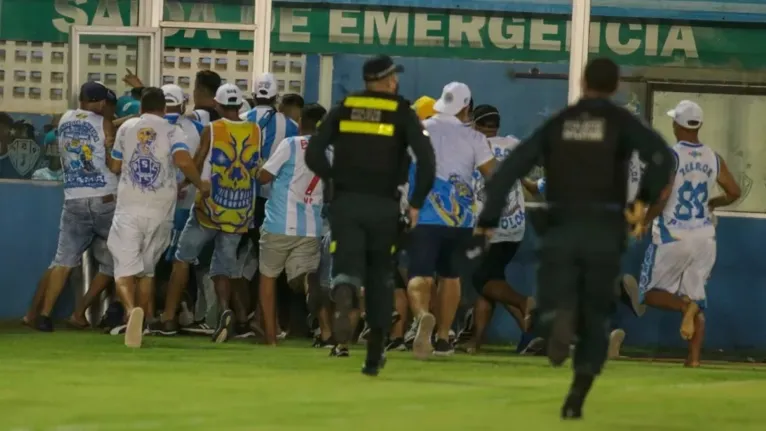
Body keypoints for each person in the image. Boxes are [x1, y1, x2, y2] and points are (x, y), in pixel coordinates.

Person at [476, 57, 674, 419]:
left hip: (562, 225)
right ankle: (576, 398)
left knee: (554, 292)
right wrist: (641, 201)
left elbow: (513, 168)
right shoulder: (620, 122)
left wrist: (488, 217)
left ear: (582, 82)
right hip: (605, 227)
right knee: (597, 312)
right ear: (614, 86)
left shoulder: (559, 124)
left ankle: (555, 319)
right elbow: (662, 159)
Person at [305, 54, 436, 376]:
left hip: (345, 202)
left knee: (347, 264)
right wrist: (416, 203)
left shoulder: (344, 107)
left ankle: (345, 286)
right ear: (390, 80)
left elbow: (313, 153)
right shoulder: (401, 112)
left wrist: (333, 177)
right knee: (380, 277)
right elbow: (427, 160)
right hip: (383, 205)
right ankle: (374, 355)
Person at [151, 84, 261, 342]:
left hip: (209, 207)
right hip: (240, 210)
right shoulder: (255, 129)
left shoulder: (213, 128)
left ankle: (167, 318)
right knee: (225, 265)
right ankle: (234, 317)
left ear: (218, 106)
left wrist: (183, 184)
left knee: (183, 259)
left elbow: (198, 161)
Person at [639, 100, 741, 367]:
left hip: (675, 236)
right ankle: (693, 360)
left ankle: (685, 308)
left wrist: (645, 221)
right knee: (695, 296)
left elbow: (663, 195)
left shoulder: (671, 156)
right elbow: (734, 192)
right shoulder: (712, 157)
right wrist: (713, 203)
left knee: (648, 293)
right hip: (705, 238)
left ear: (676, 125)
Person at [106, 87, 209, 348]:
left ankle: (131, 312)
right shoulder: (174, 131)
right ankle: (143, 322)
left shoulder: (127, 128)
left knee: (124, 269)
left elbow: (115, 166)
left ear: (141, 107)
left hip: (130, 207)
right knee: (147, 272)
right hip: (161, 211)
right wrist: (200, 184)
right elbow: (184, 161)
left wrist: (111, 148)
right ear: (164, 108)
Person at [406, 82, 494, 359]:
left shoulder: (420, 130)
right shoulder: (475, 139)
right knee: (451, 276)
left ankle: (422, 316)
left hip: (423, 214)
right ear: (467, 106)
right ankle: (444, 338)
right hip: (461, 219)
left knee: (419, 275)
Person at [34, 81, 120, 332]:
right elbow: (110, 144)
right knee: (118, 261)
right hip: (104, 199)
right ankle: (80, 311)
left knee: (64, 261)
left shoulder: (65, 119)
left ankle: (44, 316)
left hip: (74, 200)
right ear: (102, 102)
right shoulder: (103, 122)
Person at [463, 104, 535, 354]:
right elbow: (528, 181)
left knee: (481, 279)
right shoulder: (513, 145)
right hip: (515, 227)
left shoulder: (474, 147)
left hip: (488, 229)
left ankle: (525, 302)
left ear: (475, 124)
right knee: (492, 281)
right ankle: (526, 335)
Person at [256, 103, 327, 345]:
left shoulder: (290, 145)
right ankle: (326, 332)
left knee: (268, 277)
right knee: (306, 278)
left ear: (300, 123)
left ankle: (270, 337)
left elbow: (264, 176)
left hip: (279, 223)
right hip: (312, 227)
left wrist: (258, 168)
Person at [241, 73, 300, 243]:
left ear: (253, 96)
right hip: (272, 196)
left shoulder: (240, 120)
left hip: (240, 194)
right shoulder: (291, 126)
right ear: (276, 98)